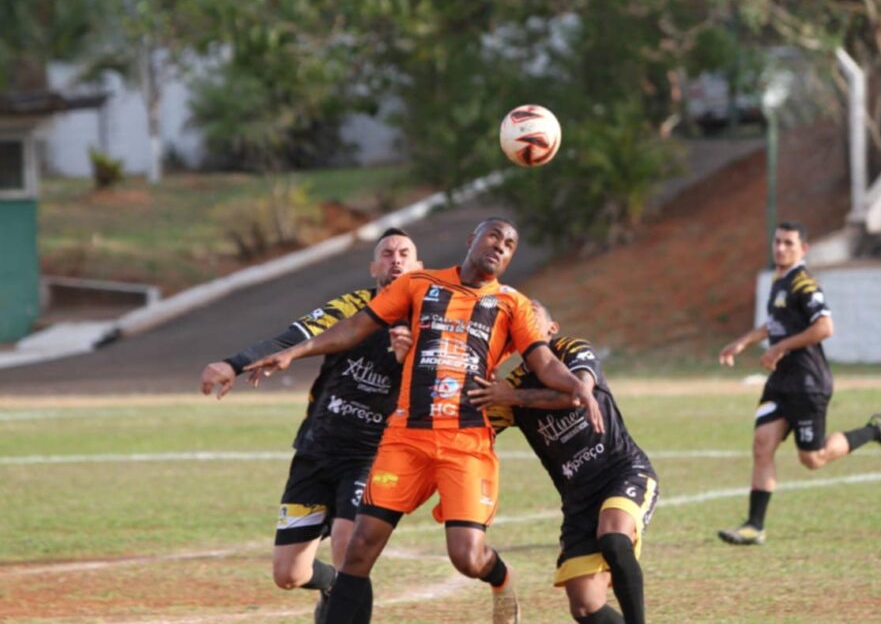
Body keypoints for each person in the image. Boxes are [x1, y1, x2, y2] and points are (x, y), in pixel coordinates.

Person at [244, 217, 604, 624]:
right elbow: (356, 327)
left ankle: (502, 580)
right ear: (471, 239)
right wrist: (296, 352)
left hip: (465, 441)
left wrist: (579, 386)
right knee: (359, 549)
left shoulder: (512, 304)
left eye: (509, 244)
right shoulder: (419, 285)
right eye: (493, 235)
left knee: (466, 556)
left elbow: (544, 360)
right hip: (405, 439)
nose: (500, 246)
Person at [199, 227, 422, 621]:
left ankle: (345, 600)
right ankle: (333, 587)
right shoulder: (352, 306)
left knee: (348, 544)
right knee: (289, 573)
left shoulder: (428, 323)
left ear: (419, 267)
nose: (395, 259)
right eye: (386, 253)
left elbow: (438, 387)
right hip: (316, 449)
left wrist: (410, 362)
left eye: (404, 253)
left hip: (371, 456)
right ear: (373, 267)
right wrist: (232, 364)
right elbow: (295, 335)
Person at [467, 299, 658, 624]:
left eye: (533, 316)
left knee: (613, 538)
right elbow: (474, 428)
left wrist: (511, 398)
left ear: (551, 329)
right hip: (578, 499)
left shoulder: (571, 348)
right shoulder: (509, 385)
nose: (524, 321)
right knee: (585, 606)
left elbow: (578, 392)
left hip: (622, 471)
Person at [716, 220, 881, 546]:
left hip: (808, 383)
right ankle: (754, 526)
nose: (780, 248)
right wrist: (744, 342)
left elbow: (824, 327)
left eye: (788, 243)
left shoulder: (805, 285)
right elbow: (774, 323)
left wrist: (779, 347)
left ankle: (875, 430)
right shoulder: (779, 282)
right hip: (781, 381)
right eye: (777, 242)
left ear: (803, 249)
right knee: (763, 444)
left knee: (813, 459)